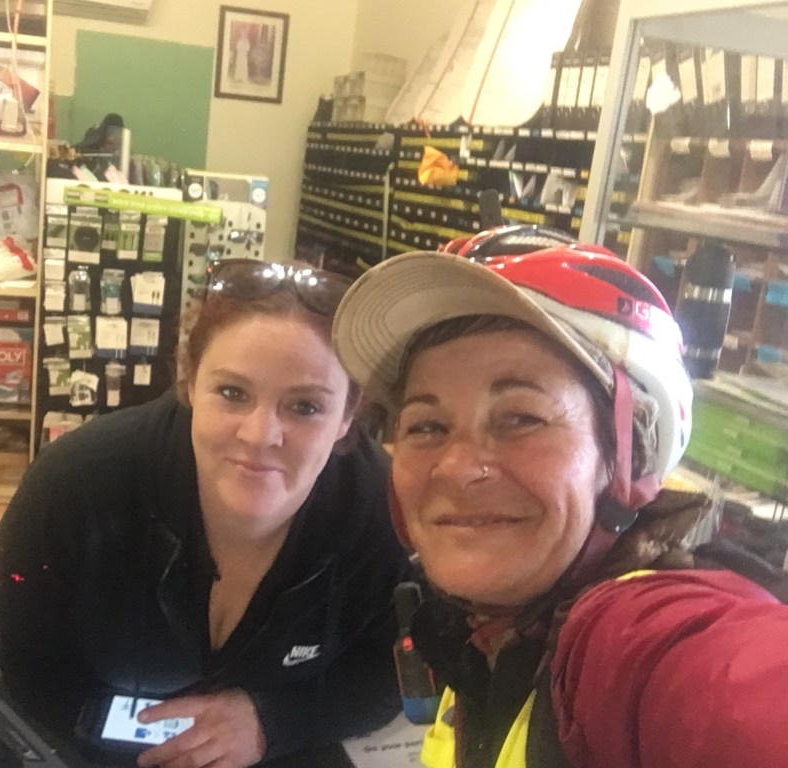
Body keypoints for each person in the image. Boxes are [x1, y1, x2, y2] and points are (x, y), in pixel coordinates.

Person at [332, 245, 788, 768]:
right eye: (427, 426)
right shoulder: (489, 633)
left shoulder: (637, 640)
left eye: (521, 418)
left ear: (628, 456)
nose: (456, 467)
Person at [0, 258, 410, 767]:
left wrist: (272, 722)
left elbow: (391, 675)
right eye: (233, 393)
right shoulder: (75, 484)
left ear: (348, 415)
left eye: (305, 407)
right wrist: (150, 742)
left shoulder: (386, 513)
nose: (260, 435)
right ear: (189, 382)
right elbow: (28, 663)